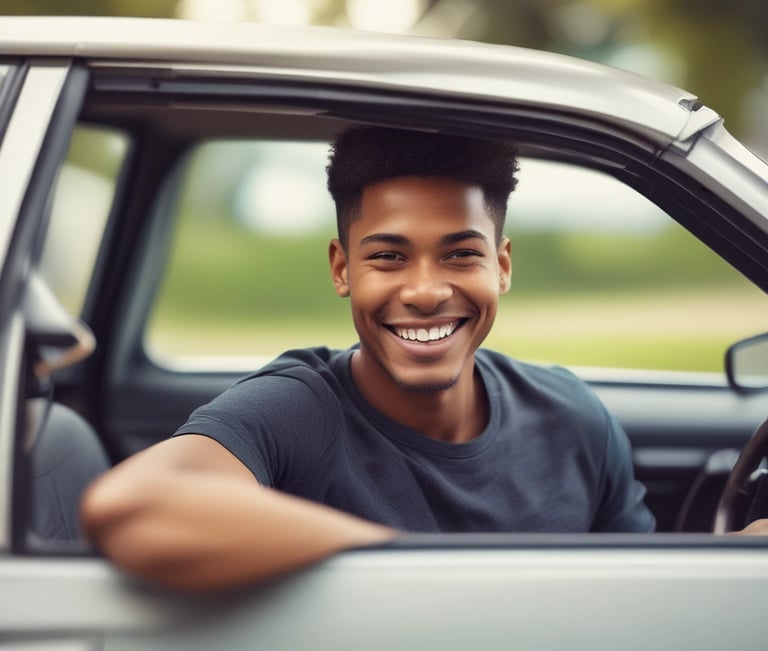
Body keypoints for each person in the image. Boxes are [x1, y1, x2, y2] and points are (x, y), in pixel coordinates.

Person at [81, 126, 658, 591]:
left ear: (501, 267)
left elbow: (647, 599)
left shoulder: (574, 418)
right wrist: (397, 565)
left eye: (461, 254)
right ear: (342, 269)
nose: (425, 292)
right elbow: (130, 507)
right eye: (388, 257)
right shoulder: (297, 410)